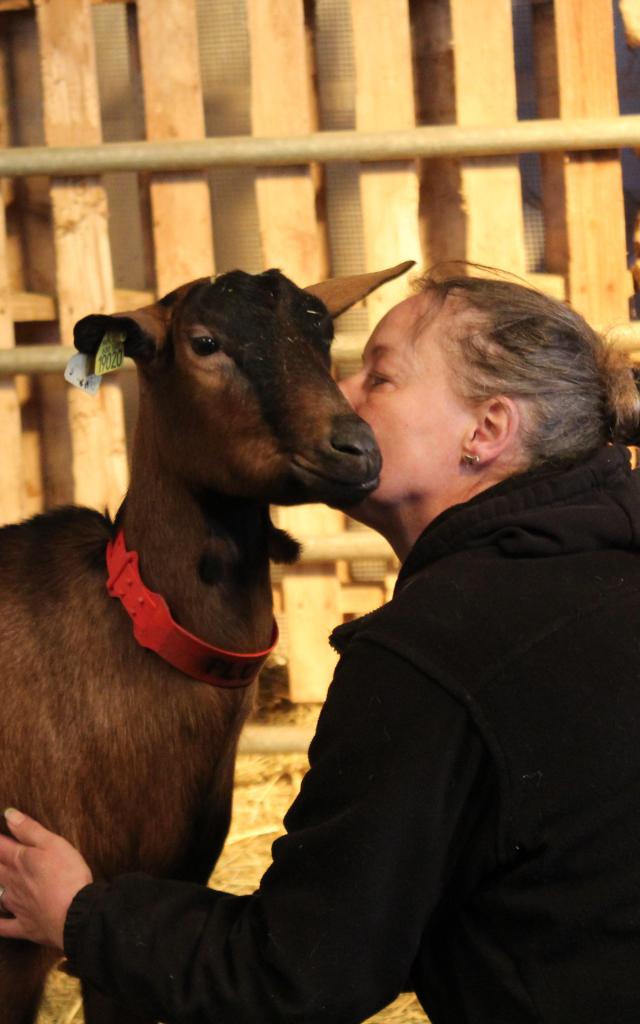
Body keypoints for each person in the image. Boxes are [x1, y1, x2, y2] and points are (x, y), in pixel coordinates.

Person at [2, 267, 640, 1023]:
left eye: (380, 375)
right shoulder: (601, 556)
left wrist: (78, 913)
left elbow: (298, 972)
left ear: (487, 430)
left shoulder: (439, 650)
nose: (337, 396)